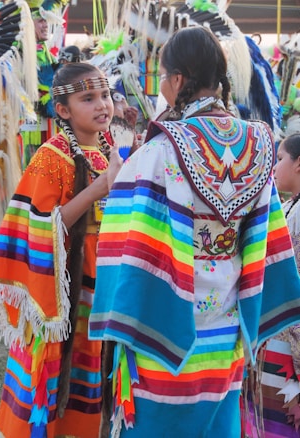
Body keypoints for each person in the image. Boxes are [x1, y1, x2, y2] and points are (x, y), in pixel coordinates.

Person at [88, 26, 300, 437]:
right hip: (226, 331)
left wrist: (116, 185)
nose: (163, 85)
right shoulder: (258, 142)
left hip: (165, 329)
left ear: (179, 80)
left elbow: (130, 236)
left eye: (164, 76)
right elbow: (265, 232)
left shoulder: (161, 150)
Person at [0, 62, 123, 437]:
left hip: (99, 287)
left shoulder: (109, 154)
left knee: (92, 381)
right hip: (59, 295)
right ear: (63, 110)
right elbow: (38, 226)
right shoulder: (50, 158)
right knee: (53, 384)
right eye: (88, 98)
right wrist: (101, 187)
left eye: (104, 95)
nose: (102, 104)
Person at [244, 133, 300, 437]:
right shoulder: (290, 208)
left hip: (288, 345)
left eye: (280, 159)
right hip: (279, 339)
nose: (274, 168)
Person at [20, 6, 59, 169]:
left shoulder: (46, 52)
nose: (45, 25)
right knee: (29, 166)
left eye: (46, 21)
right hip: (27, 125)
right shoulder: (18, 51)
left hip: (48, 122)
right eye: (41, 21)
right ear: (28, 24)